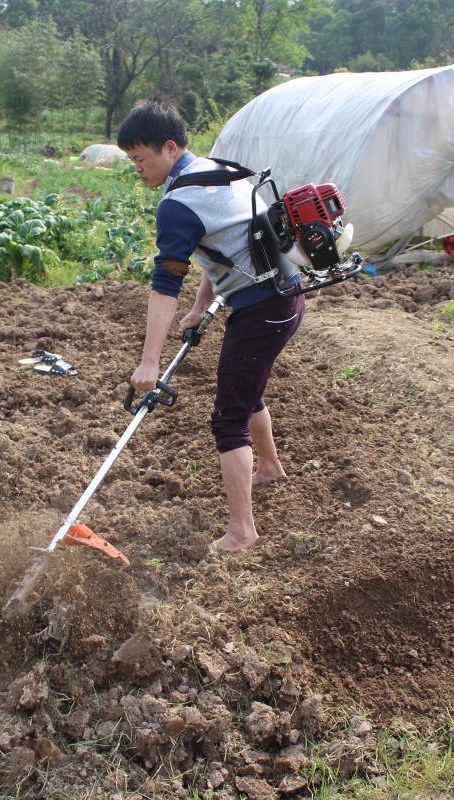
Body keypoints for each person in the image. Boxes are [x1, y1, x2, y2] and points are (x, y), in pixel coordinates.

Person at [117, 98, 305, 553]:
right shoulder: (216, 170)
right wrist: (202, 306)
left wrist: (149, 364)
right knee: (246, 389)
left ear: (167, 148)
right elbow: (222, 244)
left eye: (140, 160)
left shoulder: (179, 202)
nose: (137, 170)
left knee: (228, 417)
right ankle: (270, 468)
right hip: (282, 296)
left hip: (264, 308)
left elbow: (165, 285)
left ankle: (242, 532)